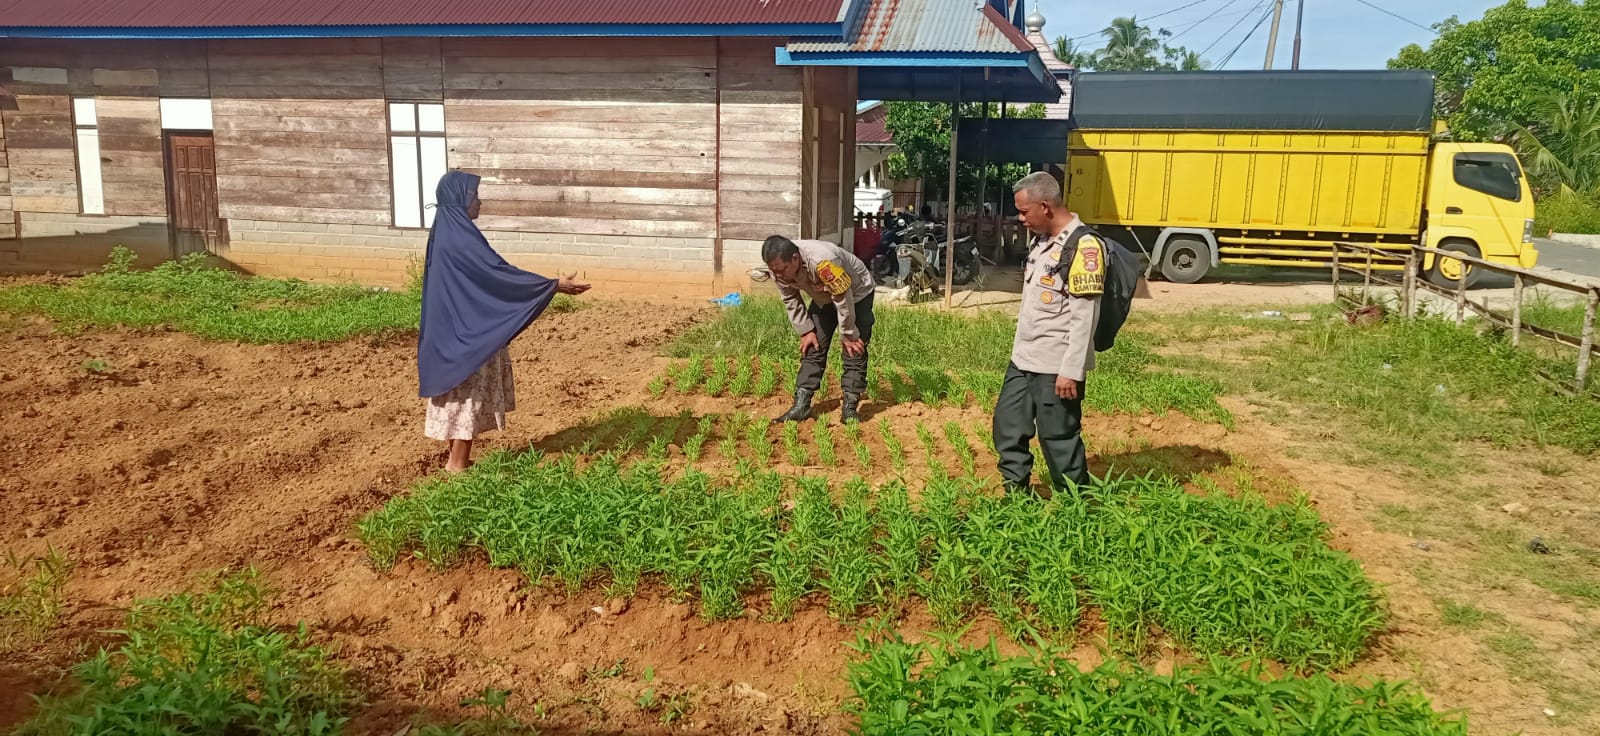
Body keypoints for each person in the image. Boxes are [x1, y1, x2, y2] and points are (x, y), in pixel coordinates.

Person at [417, 170, 591, 472]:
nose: (480, 203)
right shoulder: (461, 238)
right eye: (475, 197)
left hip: (450, 330)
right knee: (469, 391)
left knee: (459, 391)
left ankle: (458, 459)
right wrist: (552, 285)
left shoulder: (445, 232)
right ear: (460, 200)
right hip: (468, 333)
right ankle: (457, 465)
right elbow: (496, 274)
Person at [993, 172, 1102, 495]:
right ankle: (1017, 495)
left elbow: (1085, 317)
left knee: (1059, 438)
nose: (1020, 218)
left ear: (1045, 206)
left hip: (1056, 365)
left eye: (1024, 211)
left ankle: (1076, 506)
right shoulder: (1041, 243)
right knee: (1008, 426)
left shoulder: (1083, 248)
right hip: (1023, 359)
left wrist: (1071, 371)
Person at [763, 235, 876, 424]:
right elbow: (790, 299)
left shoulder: (824, 262)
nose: (779, 275)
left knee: (854, 346)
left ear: (795, 259)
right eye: (775, 271)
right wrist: (805, 330)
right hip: (823, 298)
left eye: (782, 270)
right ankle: (801, 406)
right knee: (813, 344)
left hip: (856, 294)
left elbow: (842, 296)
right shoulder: (777, 269)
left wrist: (848, 333)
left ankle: (850, 407)